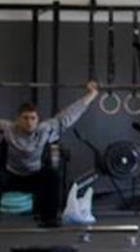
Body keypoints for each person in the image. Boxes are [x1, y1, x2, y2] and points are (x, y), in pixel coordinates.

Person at [0, 81, 99, 227]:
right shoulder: (7, 129)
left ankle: (49, 219)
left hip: (34, 175)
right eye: (25, 118)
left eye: (33, 118)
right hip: (11, 176)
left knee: (52, 176)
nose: (29, 122)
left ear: (37, 119)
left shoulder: (45, 130)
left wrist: (92, 94)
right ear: (18, 119)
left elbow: (69, 115)